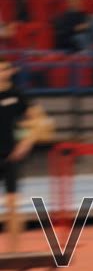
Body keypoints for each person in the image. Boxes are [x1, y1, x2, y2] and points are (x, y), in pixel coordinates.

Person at [0, 58, 52, 252]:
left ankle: (13, 252)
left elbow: (41, 120)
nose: (2, 73)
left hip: (10, 156)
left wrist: (27, 141)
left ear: (11, 71)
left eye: (5, 69)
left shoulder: (18, 95)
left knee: (12, 205)